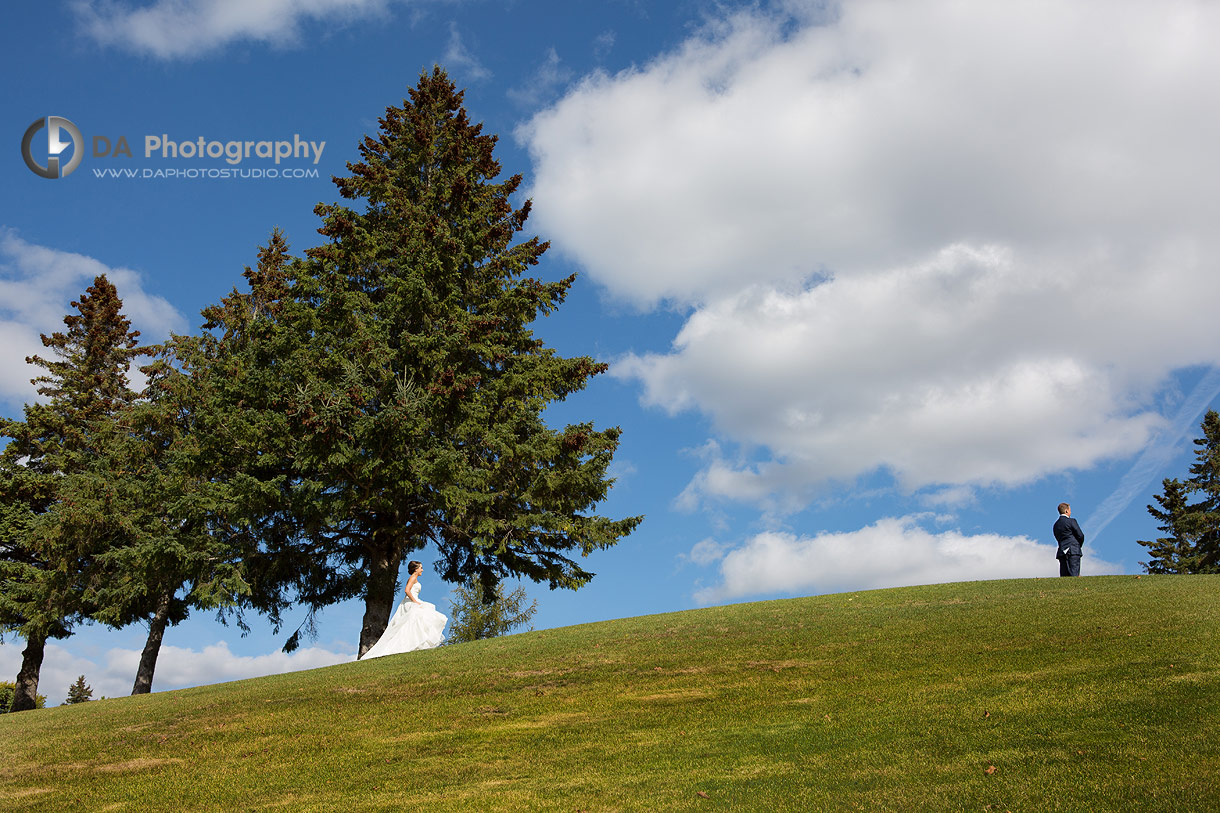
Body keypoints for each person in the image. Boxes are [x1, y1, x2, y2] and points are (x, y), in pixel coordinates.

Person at [360, 560, 447, 659]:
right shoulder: (413, 577)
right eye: (421, 568)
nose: (422, 570)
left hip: (413, 600)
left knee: (417, 622)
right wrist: (415, 601)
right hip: (411, 602)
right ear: (416, 569)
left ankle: (416, 644)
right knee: (417, 620)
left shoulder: (415, 578)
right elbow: (407, 590)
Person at [1053, 502, 1084, 577]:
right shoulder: (1071, 521)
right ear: (1066, 511)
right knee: (1074, 574)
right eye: (1070, 510)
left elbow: (1058, 538)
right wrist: (1078, 545)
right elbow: (1080, 535)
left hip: (1062, 552)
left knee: (1064, 576)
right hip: (1073, 550)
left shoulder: (1056, 525)